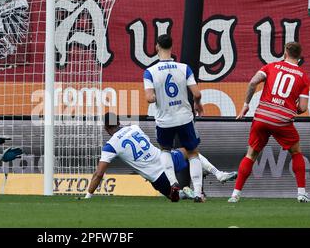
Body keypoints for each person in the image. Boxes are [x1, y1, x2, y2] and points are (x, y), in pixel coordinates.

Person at [83, 112, 237, 201]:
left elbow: (99, 174)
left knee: (175, 198)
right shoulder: (134, 128)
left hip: (157, 176)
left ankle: (186, 193)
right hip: (166, 159)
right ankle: (219, 173)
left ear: (105, 127)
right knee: (191, 151)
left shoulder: (110, 145)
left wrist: (88, 195)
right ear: (118, 121)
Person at [228, 42, 309, 203]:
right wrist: (292, 108)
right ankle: (301, 194)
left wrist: (245, 105)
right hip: (282, 121)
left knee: (251, 154)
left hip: (262, 118)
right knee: (296, 152)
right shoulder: (303, 76)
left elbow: (252, 82)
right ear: (299, 57)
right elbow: (303, 107)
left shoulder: (271, 66)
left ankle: (235, 194)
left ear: (285, 52)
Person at [143, 34, 206, 202]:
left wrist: (157, 96)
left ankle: (173, 182)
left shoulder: (150, 72)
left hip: (165, 120)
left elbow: (149, 98)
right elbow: (197, 93)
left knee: (165, 149)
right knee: (193, 153)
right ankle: (199, 193)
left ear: (157, 47)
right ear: (172, 47)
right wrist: (198, 104)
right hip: (185, 118)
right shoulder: (184, 68)